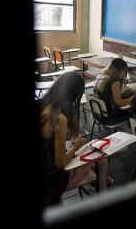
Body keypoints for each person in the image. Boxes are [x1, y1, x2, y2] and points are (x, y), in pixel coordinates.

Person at [38, 71, 109, 207]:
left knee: (88, 156)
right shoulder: (58, 117)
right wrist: (76, 145)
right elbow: (61, 163)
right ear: (75, 95)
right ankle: (101, 189)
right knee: (101, 158)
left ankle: (95, 180)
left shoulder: (42, 104)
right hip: (52, 180)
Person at [93, 58, 134, 122]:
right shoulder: (114, 80)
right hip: (108, 117)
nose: (123, 74)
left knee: (127, 94)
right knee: (134, 112)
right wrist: (133, 99)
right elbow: (119, 103)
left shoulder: (101, 74)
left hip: (97, 113)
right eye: (123, 71)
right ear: (117, 70)